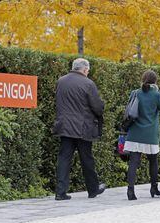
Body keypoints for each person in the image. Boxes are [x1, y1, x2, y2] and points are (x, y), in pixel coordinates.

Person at [53, 58, 106, 201]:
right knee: (87, 159)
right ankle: (93, 189)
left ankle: (60, 192)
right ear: (83, 69)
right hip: (83, 128)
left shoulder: (61, 81)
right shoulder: (88, 84)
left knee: (64, 159)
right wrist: (102, 107)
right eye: (88, 70)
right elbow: (97, 107)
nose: (88, 73)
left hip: (64, 127)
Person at [124, 70, 160, 200]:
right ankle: (154, 188)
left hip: (134, 133)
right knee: (153, 162)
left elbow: (129, 110)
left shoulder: (135, 93)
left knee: (133, 163)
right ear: (155, 81)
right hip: (150, 134)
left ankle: (130, 191)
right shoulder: (157, 95)